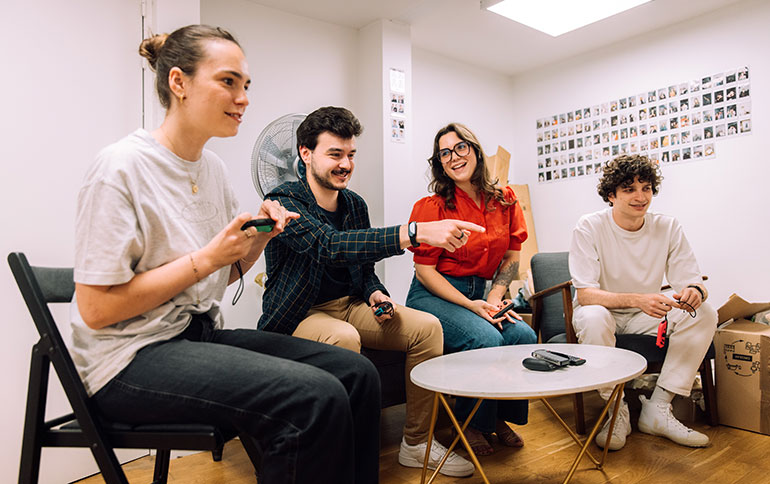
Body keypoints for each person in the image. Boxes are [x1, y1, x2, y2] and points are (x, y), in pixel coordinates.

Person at [71, 26, 381, 484]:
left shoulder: (212, 169)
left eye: (246, 86)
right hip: (127, 360)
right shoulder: (120, 168)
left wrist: (256, 241)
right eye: (228, 82)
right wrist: (210, 258)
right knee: (312, 398)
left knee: (357, 375)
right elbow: (96, 310)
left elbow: (224, 274)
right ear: (179, 83)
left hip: (194, 336)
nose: (243, 98)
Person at [258, 107, 483, 478]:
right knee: (343, 337)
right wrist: (414, 233)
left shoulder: (354, 204)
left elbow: (362, 269)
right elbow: (330, 246)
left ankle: (417, 443)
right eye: (335, 154)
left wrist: (375, 292)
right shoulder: (284, 202)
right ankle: (341, 451)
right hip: (298, 315)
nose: (346, 164)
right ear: (305, 154)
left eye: (351, 155)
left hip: (350, 305)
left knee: (428, 328)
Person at [404, 123, 538, 457]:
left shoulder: (505, 200)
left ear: (475, 150)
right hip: (434, 294)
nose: (453, 157)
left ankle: (496, 416)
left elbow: (512, 255)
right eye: (444, 153)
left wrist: (494, 297)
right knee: (485, 338)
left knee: (522, 336)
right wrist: (471, 304)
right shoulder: (432, 207)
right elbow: (424, 271)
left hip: (484, 293)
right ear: (440, 163)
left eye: (460, 147)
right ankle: (468, 423)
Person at [569, 154, 717, 451]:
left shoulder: (668, 226)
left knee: (703, 313)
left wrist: (694, 292)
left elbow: (691, 279)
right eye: (629, 189)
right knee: (594, 317)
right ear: (611, 195)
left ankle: (659, 408)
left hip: (646, 314)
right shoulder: (589, 226)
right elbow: (585, 294)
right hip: (602, 311)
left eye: (646, 188)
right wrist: (638, 298)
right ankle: (616, 408)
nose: (640, 197)